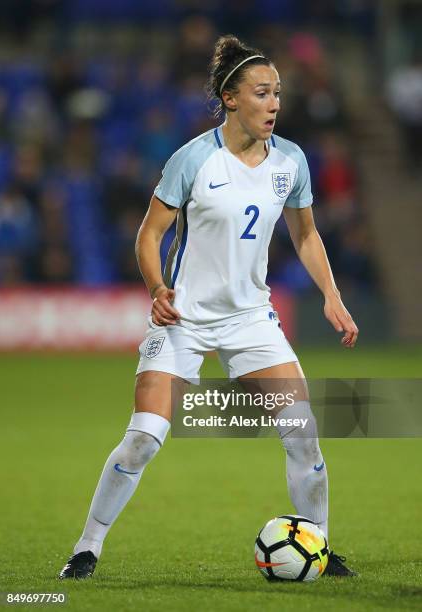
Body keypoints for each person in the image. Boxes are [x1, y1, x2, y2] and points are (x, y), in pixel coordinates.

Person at [59, 35, 359, 580]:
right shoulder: (193, 159)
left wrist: (331, 295)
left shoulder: (290, 160)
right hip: (185, 320)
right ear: (231, 99)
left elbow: (307, 234)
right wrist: (157, 289)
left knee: (303, 431)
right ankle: (87, 547)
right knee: (144, 437)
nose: (274, 104)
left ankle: (317, 546)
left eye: (278, 94)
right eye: (263, 93)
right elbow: (149, 235)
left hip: (250, 319)